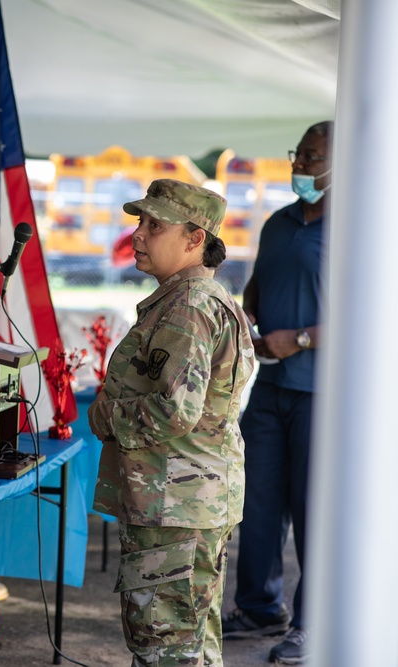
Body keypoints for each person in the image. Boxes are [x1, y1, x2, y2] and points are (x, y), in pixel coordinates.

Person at [88, 179, 255, 666]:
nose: (138, 235)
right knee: (192, 644)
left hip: (173, 505)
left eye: (154, 225)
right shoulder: (200, 300)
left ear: (194, 238)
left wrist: (105, 415)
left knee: (164, 648)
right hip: (189, 502)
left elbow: (174, 409)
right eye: (140, 223)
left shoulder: (187, 307)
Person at [220, 120, 332, 665]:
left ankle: (314, 625)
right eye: (299, 154)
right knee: (256, 502)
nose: (300, 166)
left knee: (315, 511)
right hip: (269, 390)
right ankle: (259, 607)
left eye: (312, 157)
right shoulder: (279, 223)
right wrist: (249, 317)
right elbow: (258, 285)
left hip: (323, 395)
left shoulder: (361, 228)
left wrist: (304, 338)